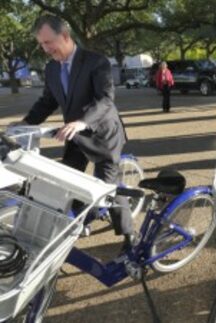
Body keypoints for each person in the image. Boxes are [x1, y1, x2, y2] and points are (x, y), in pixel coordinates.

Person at [13, 15, 134, 250]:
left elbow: (105, 100)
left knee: (107, 190)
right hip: (75, 136)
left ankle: (130, 235)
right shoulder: (50, 69)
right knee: (65, 181)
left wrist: (82, 122)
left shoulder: (96, 62)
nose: (45, 49)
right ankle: (75, 221)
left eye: (49, 42)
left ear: (65, 36)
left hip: (103, 135)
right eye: (42, 44)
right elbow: (48, 102)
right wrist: (25, 122)